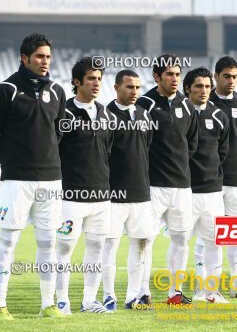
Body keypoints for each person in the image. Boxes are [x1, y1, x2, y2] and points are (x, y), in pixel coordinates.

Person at [0, 33, 66, 320]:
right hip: (16, 180)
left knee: (48, 243)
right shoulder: (5, 90)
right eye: (40, 56)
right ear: (24, 57)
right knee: (8, 241)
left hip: (51, 180)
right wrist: (11, 161)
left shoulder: (57, 91)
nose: (45, 62)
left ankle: (48, 304)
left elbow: (58, 132)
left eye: (48, 57)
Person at [135, 54, 198, 305]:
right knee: (145, 240)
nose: (175, 79)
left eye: (177, 74)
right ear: (157, 76)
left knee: (182, 239)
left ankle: (175, 293)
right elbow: (139, 145)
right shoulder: (144, 103)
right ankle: (142, 292)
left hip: (182, 186)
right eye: (169, 74)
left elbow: (190, 144)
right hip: (152, 186)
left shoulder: (187, 105)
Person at [55, 57, 114, 314]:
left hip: (101, 196)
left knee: (96, 248)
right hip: (70, 195)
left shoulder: (106, 114)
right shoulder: (63, 113)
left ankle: (89, 300)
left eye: (99, 78)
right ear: (77, 81)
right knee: (65, 248)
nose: (96, 83)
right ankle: (61, 300)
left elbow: (107, 152)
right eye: (91, 78)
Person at [101, 70, 156, 311]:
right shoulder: (104, 115)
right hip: (114, 195)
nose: (134, 92)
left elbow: (147, 148)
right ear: (116, 88)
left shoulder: (144, 115)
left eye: (137, 88)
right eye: (129, 87)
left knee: (140, 246)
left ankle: (133, 296)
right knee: (109, 246)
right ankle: (108, 296)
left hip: (142, 195)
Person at [208, 56, 237, 299]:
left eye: (235, 76)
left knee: (234, 235)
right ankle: (208, 288)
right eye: (226, 76)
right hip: (210, 182)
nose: (231, 81)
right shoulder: (206, 103)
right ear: (216, 77)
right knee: (210, 235)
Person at [183, 67, 230, 303]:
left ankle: (212, 292)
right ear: (187, 89)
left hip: (213, 192)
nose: (204, 91)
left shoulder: (220, 116)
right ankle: (177, 292)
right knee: (179, 242)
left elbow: (223, 152)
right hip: (184, 191)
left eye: (207, 87)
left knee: (215, 243)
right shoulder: (177, 114)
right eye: (199, 86)